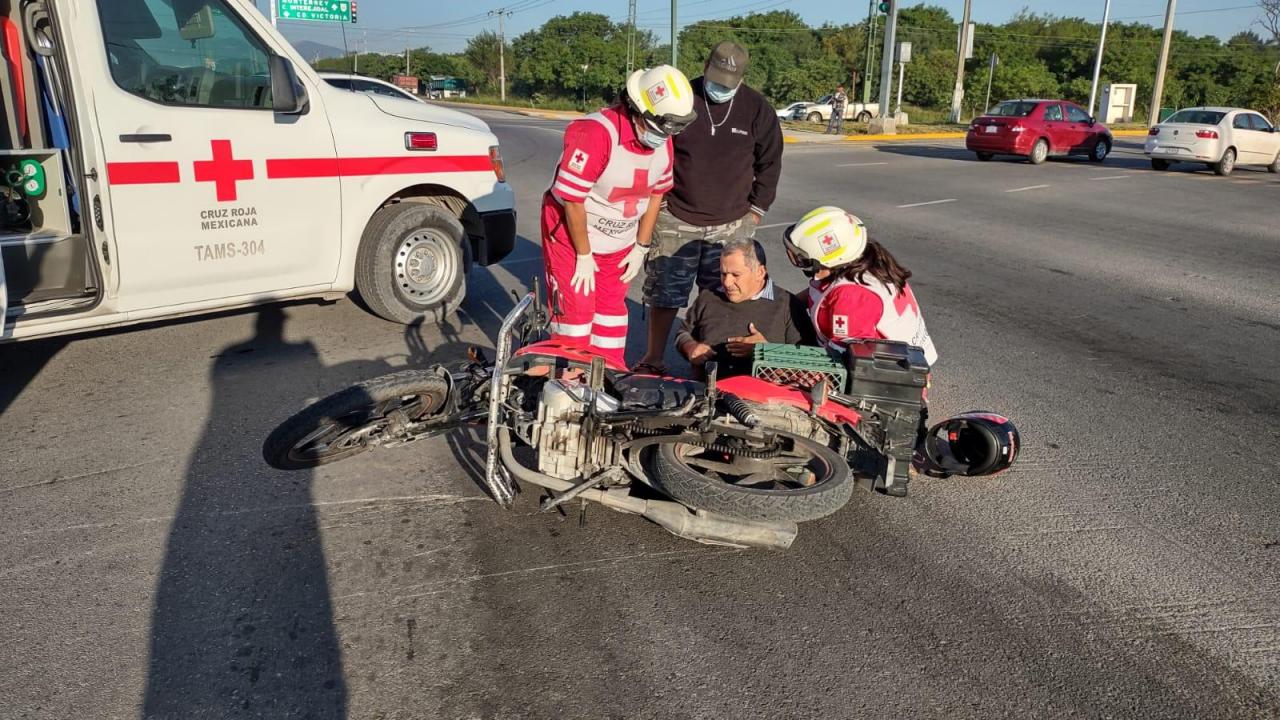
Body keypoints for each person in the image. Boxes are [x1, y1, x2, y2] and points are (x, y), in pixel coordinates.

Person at [635, 41, 784, 375]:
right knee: (664, 293)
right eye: (716, 81)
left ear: (742, 78)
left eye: (729, 84)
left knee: (720, 294)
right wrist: (657, 207)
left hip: (731, 221)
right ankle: (653, 359)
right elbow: (656, 153)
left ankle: (712, 362)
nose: (721, 88)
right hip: (676, 216)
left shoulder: (757, 109)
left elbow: (770, 163)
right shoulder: (682, 99)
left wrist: (757, 209)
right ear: (705, 67)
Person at [541, 65, 696, 368]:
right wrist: (584, 255)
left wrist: (641, 246)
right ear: (637, 110)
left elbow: (656, 194)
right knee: (576, 316)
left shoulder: (662, 139)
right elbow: (573, 200)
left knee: (611, 316)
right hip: (573, 234)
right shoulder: (596, 133)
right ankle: (567, 382)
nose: (664, 136)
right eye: (661, 127)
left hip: (619, 239)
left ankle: (607, 378)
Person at [783, 206, 937, 364]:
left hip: (886, 369)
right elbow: (819, 293)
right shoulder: (863, 262)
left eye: (802, 260)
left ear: (827, 261)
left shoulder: (851, 297)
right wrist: (783, 305)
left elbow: (845, 360)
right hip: (901, 358)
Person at [675, 237, 811, 378]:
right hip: (709, 388)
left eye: (736, 275)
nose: (727, 282)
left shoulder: (787, 305)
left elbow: (809, 359)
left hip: (764, 390)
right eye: (723, 274)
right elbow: (683, 333)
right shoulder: (708, 297)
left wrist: (766, 351)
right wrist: (689, 346)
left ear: (760, 272)